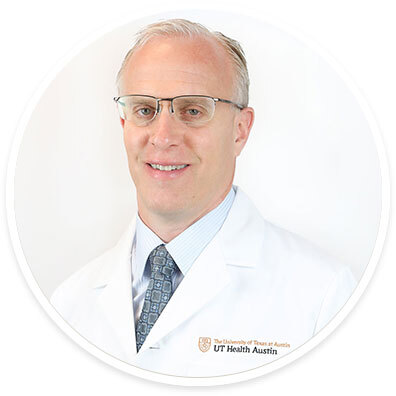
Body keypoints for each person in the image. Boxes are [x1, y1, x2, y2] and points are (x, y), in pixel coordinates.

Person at [50, 19, 357, 377]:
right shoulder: (68, 304)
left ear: (240, 130)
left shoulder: (323, 298)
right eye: (145, 111)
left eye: (193, 110)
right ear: (125, 126)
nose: (163, 137)